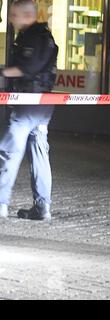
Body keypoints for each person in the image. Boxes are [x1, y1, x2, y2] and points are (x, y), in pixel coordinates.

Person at [0, 0, 58, 222]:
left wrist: (4, 72)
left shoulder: (33, 38)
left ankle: (1, 203)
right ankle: (42, 207)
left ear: (26, 15)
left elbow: (27, 68)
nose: (11, 19)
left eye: (14, 15)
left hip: (28, 103)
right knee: (40, 154)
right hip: (42, 104)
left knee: (9, 151)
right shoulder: (44, 36)